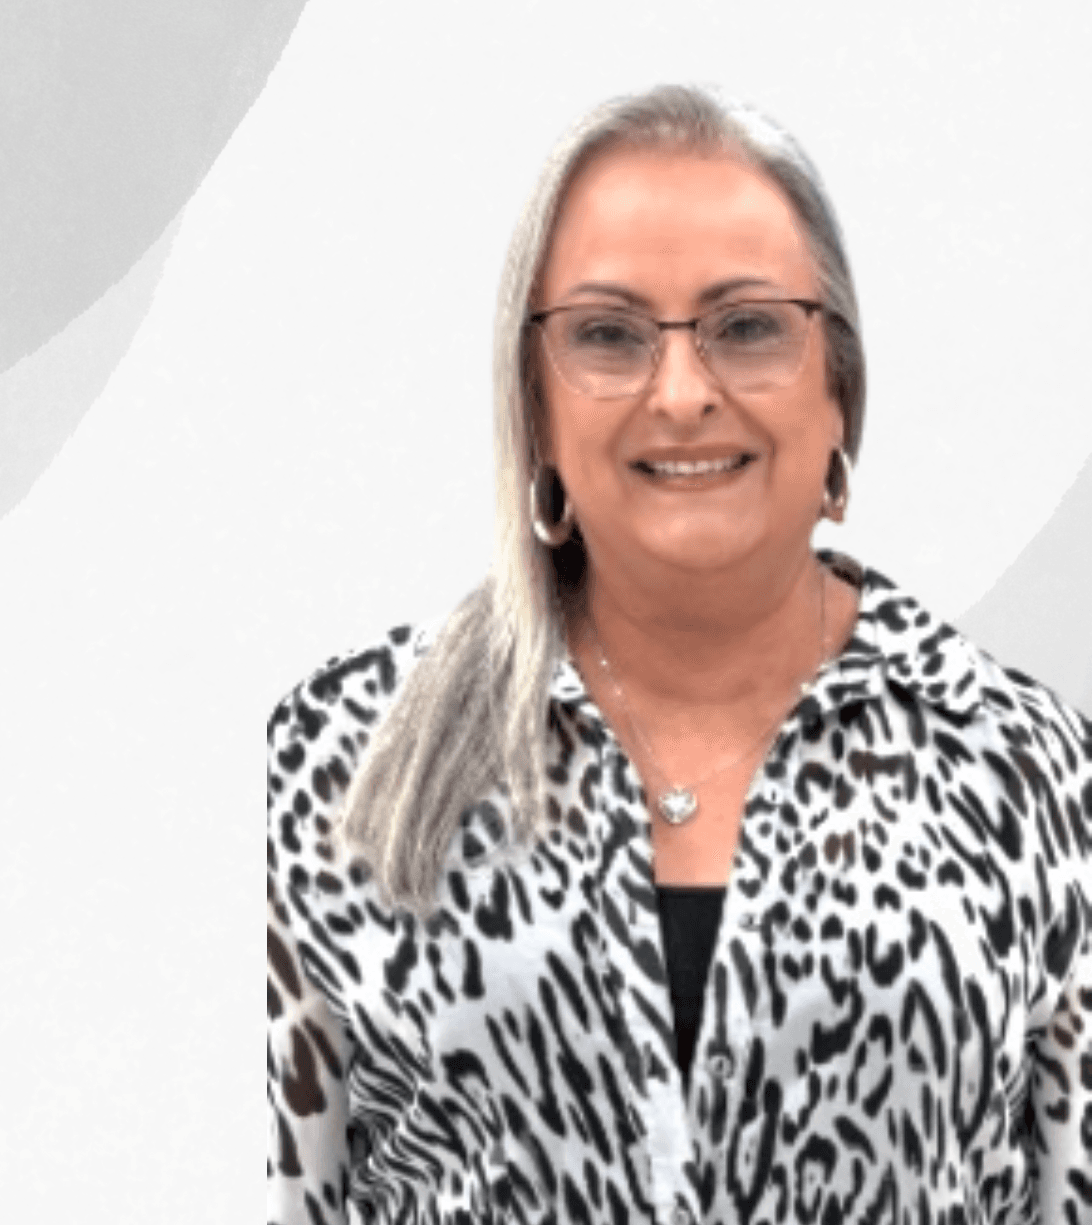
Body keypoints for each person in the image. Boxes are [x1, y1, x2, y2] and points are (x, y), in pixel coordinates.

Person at [266, 85, 1092, 1225]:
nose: (685, 392)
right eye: (608, 335)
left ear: (839, 389)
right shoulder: (335, 758)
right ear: (535, 406)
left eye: (747, 326)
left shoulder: (1033, 770)